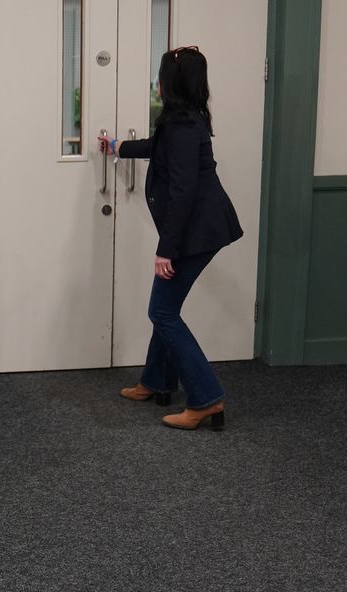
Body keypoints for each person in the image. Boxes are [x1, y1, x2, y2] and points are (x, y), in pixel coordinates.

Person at [99, 46, 243, 431]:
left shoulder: (182, 125)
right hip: (202, 228)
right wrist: (118, 147)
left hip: (196, 232)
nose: (156, 83)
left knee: (161, 312)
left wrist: (166, 250)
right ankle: (157, 382)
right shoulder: (185, 120)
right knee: (166, 308)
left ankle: (206, 399)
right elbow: (157, 149)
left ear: (169, 83)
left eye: (159, 76)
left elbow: (182, 190)